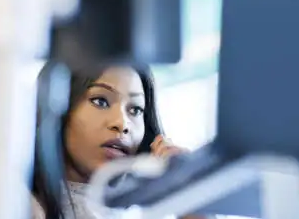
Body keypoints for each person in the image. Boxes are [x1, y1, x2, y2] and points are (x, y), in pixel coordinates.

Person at [31, 62, 204, 219]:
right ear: (56, 107)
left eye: (135, 110)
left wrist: (190, 195)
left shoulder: (150, 211)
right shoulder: (19, 204)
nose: (122, 123)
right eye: (100, 101)